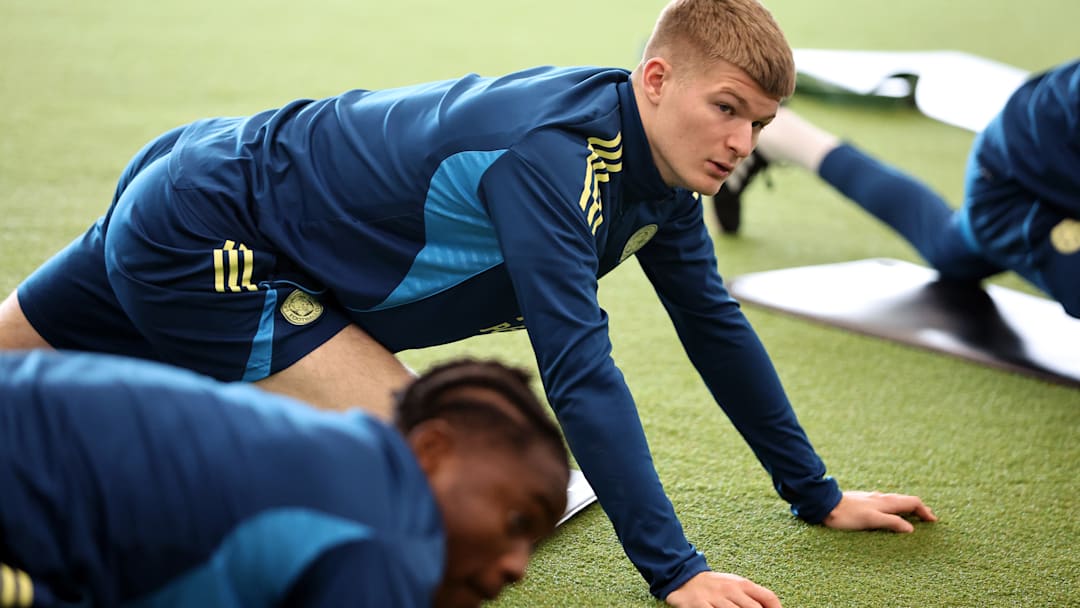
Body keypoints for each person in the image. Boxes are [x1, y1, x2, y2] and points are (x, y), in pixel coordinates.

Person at [0, 0, 938, 605]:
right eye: (726, 108)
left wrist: (815, 496)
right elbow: (581, 372)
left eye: (761, 125)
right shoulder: (556, 157)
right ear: (655, 80)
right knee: (415, 486)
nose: (741, 141)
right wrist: (678, 575)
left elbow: (716, 329)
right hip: (212, 234)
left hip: (208, 172)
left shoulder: (661, 181)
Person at [0, 350, 569, 608]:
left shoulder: (345, 455)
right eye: (517, 522)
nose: (519, 567)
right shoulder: (388, 541)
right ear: (431, 450)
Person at [713, 59, 1080, 319]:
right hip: (1017, 178)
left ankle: (789, 138)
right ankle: (784, 135)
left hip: (1053, 155)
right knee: (960, 242)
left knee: (950, 250)